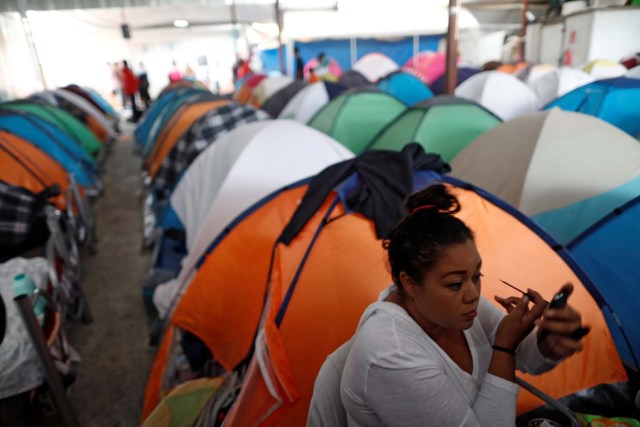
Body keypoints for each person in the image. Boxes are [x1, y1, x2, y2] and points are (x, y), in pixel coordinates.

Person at [328, 184, 587, 427]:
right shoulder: (390, 353)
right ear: (410, 283)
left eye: (477, 276)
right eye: (455, 284)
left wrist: (546, 341)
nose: (473, 294)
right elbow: (507, 352)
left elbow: (526, 357)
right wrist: (504, 348)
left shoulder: (454, 310)